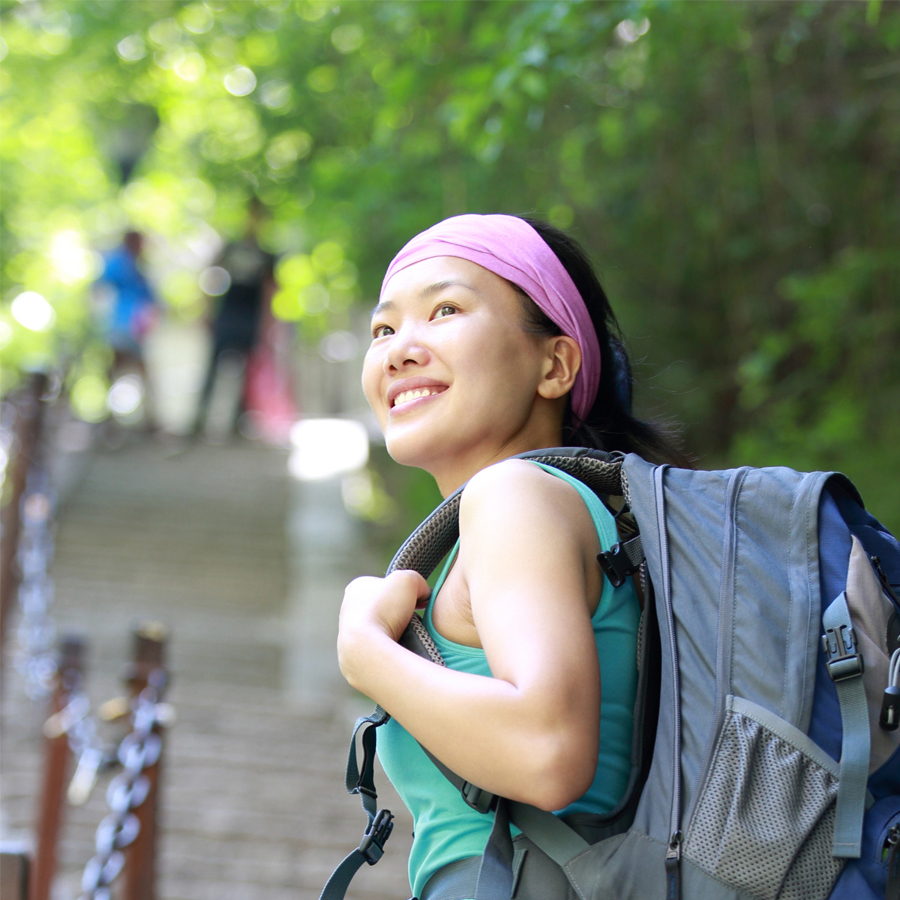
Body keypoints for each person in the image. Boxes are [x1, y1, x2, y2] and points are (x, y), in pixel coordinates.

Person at [336, 214, 687, 898]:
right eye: (384, 329)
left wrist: (364, 652)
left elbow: (548, 752)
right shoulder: (548, 511)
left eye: (445, 310)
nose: (400, 349)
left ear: (553, 365)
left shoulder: (513, 497)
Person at [191, 200, 276, 438]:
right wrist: (205, 311)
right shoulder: (231, 247)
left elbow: (269, 291)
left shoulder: (267, 255)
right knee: (213, 365)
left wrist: (267, 325)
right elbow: (210, 275)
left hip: (251, 316)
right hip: (227, 313)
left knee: (247, 369)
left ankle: (239, 420)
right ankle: (199, 418)